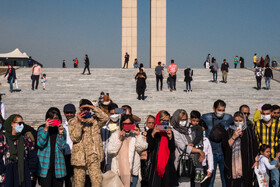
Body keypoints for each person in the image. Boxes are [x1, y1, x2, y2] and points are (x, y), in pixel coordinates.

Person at [68, 99, 109, 187]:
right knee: (79, 184)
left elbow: (105, 118)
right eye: (84, 108)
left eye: (87, 109)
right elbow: (75, 138)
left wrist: (93, 107)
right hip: (79, 158)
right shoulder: (73, 122)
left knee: (97, 183)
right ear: (79, 109)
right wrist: (79, 122)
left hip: (93, 156)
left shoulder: (95, 121)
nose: (85, 111)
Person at [108, 115, 148, 187]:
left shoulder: (135, 135)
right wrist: (119, 140)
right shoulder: (115, 135)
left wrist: (138, 135)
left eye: (129, 124)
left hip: (132, 172)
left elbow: (142, 148)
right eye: (125, 124)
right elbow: (110, 151)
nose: (127, 126)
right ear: (121, 124)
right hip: (118, 172)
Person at [201, 99, 234, 187]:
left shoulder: (229, 118)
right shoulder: (206, 117)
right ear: (214, 108)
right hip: (211, 153)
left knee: (225, 179)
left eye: (223, 110)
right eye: (219, 110)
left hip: (224, 152)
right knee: (210, 179)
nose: (221, 112)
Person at [222, 111, 258, 187]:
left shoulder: (249, 131)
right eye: (236, 121)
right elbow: (225, 146)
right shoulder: (229, 131)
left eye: (240, 121)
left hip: (247, 164)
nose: (238, 123)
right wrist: (234, 137)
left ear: (244, 120)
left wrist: (256, 160)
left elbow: (255, 145)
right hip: (233, 165)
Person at [0, 114, 37, 187]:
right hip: (8, 173)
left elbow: (33, 156)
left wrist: (30, 172)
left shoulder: (25, 137)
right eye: (19, 123)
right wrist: (3, 171)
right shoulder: (3, 137)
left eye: (22, 123)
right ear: (12, 124)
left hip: (23, 171)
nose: (21, 125)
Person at [171, 109, 205, 186]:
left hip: (189, 162)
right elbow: (183, 147)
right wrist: (199, 151)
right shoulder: (174, 131)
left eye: (185, 119)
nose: (183, 121)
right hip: (180, 162)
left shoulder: (186, 130)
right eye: (181, 120)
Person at [146, 110, 178, 187]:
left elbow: (172, 149)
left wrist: (170, 138)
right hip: (155, 165)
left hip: (167, 164)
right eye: (163, 121)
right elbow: (149, 148)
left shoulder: (169, 132)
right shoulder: (151, 131)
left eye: (167, 121)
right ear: (158, 120)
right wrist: (153, 134)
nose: (165, 123)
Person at [37, 107, 66, 187]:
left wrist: (60, 134)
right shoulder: (41, 128)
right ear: (47, 119)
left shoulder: (62, 130)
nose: (53, 121)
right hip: (45, 167)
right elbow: (40, 144)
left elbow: (62, 146)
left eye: (56, 119)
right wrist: (46, 129)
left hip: (58, 167)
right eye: (51, 119)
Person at [253, 104, 280, 187]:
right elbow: (255, 141)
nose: (265, 116)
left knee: (275, 181)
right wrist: (256, 159)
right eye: (263, 114)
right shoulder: (257, 124)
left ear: (271, 113)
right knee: (263, 183)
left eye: (267, 113)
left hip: (274, 157)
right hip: (262, 159)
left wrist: (278, 155)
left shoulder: (278, 124)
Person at [101, 103, 120, 172]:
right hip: (107, 152)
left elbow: (137, 120)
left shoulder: (123, 124)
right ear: (108, 114)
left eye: (116, 113)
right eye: (112, 114)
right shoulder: (103, 126)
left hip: (119, 152)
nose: (114, 115)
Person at [62, 104, 76, 187]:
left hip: (77, 155)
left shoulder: (79, 125)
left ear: (75, 112)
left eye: (71, 113)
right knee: (67, 179)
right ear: (64, 113)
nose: (69, 115)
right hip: (66, 156)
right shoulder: (63, 126)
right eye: (67, 113)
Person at [141, 115, 155, 187]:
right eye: (149, 122)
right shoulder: (141, 133)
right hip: (144, 160)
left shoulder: (156, 132)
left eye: (153, 123)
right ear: (146, 123)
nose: (151, 124)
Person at [199, 120, 214, 187]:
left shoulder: (206, 140)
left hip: (203, 167)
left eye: (204, 130)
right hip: (194, 166)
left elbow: (210, 155)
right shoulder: (191, 139)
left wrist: (210, 169)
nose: (202, 132)